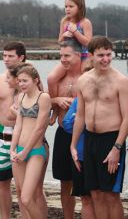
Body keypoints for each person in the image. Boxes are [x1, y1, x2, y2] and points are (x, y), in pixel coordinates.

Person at [70, 36, 128, 219]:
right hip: (90, 140)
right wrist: (73, 145)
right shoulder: (83, 80)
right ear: (91, 56)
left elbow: (127, 117)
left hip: (111, 140)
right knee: (95, 193)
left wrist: (117, 148)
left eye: (109, 55)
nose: (106, 59)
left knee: (111, 194)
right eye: (101, 55)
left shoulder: (121, 81)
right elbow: (80, 115)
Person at [0, 41, 26, 219]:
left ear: (21, 57)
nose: (6, 59)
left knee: (24, 185)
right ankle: (5, 217)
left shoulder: (30, 79)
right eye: (4, 56)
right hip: (2, 134)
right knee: (2, 181)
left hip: (24, 136)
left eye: (11, 56)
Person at [10, 65, 51, 219]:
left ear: (35, 80)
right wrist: (12, 149)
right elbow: (18, 124)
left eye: (25, 81)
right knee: (20, 193)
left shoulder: (43, 98)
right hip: (18, 150)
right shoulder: (20, 96)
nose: (21, 84)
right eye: (19, 81)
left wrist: (25, 152)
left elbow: (39, 129)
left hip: (35, 152)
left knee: (28, 198)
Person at [48, 0, 93, 125]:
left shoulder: (85, 22)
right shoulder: (64, 21)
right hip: (68, 56)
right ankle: (55, 109)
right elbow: (59, 41)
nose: (67, 9)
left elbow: (89, 43)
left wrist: (76, 32)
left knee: (84, 80)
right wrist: (65, 35)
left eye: (71, 6)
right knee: (51, 78)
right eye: (66, 6)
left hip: (84, 56)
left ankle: (82, 108)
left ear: (79, 7)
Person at [50, 40, 82, 218]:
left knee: (86, 182)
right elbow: (46, 100)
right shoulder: (58, 79)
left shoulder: (86, 77)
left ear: (78, 55)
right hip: (63, 133)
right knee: (65, 182)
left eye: (67, 56)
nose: (63, 59)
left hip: (83, 135)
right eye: (61, 56)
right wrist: (56, 101)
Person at [63, 60, 96, 219]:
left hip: (99, 152)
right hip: (80, 154)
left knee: (102, 197)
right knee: (85, 198)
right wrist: (80, 119)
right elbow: (67, 124)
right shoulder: (77, 100)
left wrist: (82, 120)